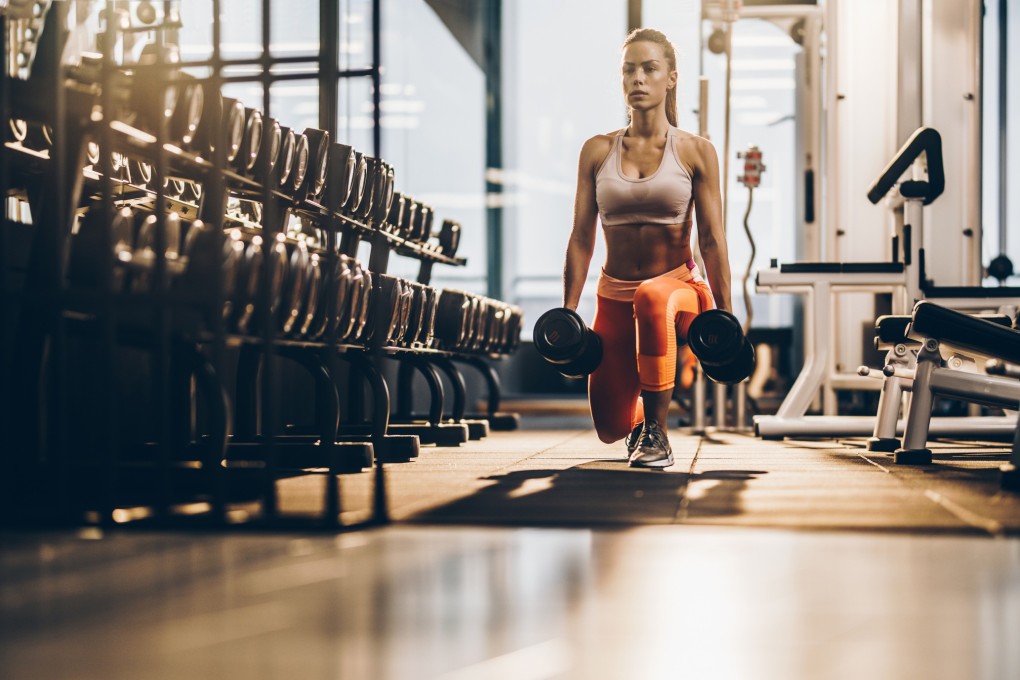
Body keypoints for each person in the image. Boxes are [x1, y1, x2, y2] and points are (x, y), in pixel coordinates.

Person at [562, 28, 733, 469]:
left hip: (679, 290)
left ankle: (658, 433)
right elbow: (582, 236)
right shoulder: (597, 151)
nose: (637, 78)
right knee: (610, 427)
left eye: (649, 68)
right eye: (629, 69)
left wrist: (727, 315)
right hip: (614, 294)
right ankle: (640, 422)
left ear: (670, 78)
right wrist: (568, 312)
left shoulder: (695, 151)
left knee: (651, 296)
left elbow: (711, 239)